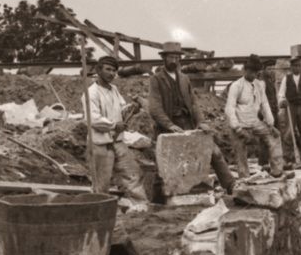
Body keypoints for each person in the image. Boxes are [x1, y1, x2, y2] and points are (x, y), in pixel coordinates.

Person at [148, 41, 236, 193]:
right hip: (167, 127)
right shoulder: (156, 79)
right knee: (164, 162)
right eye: (171, 57)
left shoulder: (184, 78)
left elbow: (194, 103)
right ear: (164, 58)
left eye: (177, 57)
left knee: (213, 151)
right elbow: (154, 108)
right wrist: (169, 125)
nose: (174, 61)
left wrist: (201, 122)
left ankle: (230, 185)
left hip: (188, 123)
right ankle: (159, 198)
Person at [85, 55, 150, 208]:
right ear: (98, 70)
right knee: (102, 182)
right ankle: (99, 209)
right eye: (108, 69)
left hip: (118, 141)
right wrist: (114, 125)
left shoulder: (113, 89)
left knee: (132, 173)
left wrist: (131, 108)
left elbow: (121, 108)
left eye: (114, 70)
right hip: (100, 143)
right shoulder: (91, 93)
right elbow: (92, 119)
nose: (111, 73)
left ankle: (140, 206)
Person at [226, 54, 284, 178]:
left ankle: (277, 171)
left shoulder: (259, 85)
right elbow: (229, 109)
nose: (253, 75)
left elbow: (265, 104)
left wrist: (270, 124)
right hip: (240, 123)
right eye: (251, 72)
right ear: (245, 70)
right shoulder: (236, 86)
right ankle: (244, 177)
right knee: (240, 149)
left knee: (274, 136)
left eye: (256, 72)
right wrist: (237, 128)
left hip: (254, 122)